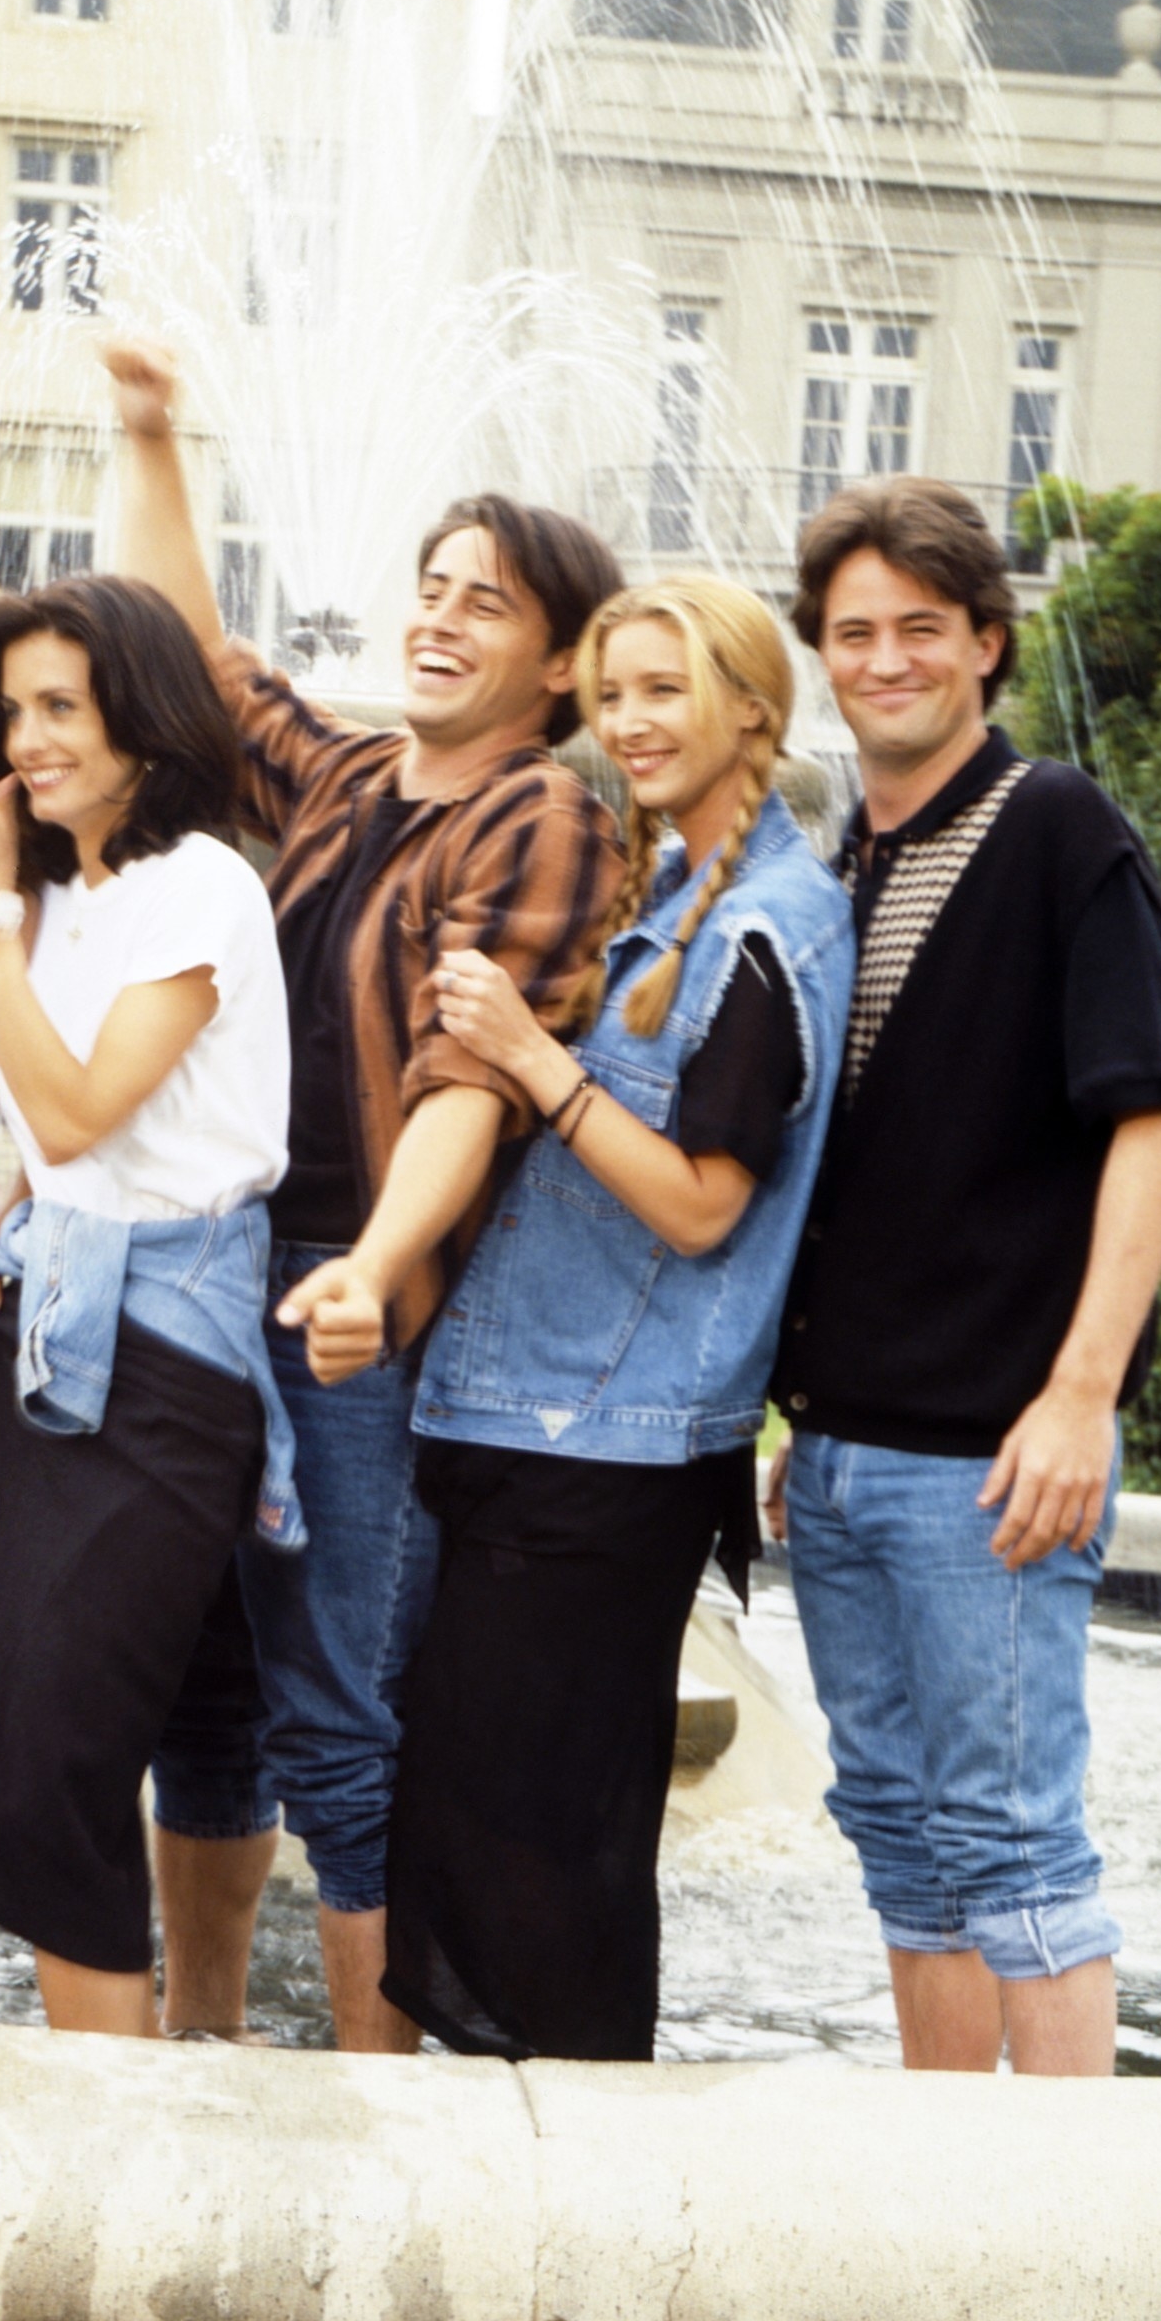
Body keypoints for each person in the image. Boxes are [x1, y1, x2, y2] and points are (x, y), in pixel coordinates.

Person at [104, 339, 624, 2052]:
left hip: (359, 1304)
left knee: (338, 1706)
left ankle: (369, 2110)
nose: (441, 617)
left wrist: (378, 1271)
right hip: (239, 1265)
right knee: (203, 1693)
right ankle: (202, 2048)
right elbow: (192, 662)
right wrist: (152, 433)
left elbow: (471, 1077)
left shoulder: (539, 814)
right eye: (431, 587)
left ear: (553, 666)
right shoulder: (347, 782)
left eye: (488, 604)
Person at [768, 477, 1161, 2077]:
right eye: (853, 633)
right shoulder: (838, 860)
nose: (882, 661)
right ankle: (949, 2202)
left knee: (1016, 1849)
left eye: (920, 632)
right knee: (897, 1834)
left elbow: (1154, 1124)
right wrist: (800, 1421)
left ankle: (1067, 2236)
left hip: (993, 1464)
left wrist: (1081, 1398)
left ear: (986, 645)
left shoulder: (1058, 832)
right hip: (837, 1455)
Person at [384, 578, 854, 2059]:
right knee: (490, 1848)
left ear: (751, 714)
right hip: (539, 1429)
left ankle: (572, 2228)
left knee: (546, 1878)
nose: (629, 721)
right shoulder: (670, 895)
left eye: (665, 690)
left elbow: (705, 1203)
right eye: (611, 693)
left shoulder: (767, 927)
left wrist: (532, 1060)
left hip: (604, 1458)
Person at [0, 575, 296, 2039]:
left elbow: (81, 1111)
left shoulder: (203, 887)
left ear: (142, 723)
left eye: (58, 709)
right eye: (12, 712)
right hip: (52, 1350)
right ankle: (107, 2107)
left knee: (55, 1776)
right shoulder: (69, 898)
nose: (25, 741)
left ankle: (121, 2145)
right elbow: (49, 1158)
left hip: (166, 1368)